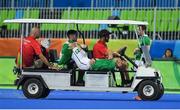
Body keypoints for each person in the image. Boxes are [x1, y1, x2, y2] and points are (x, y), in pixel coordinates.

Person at [134, 25, 151, 101]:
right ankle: (140, 94)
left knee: (141, 78)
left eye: (139, 29)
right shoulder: (141, 38)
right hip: (138, 59)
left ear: (143, 30)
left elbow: (146, 51)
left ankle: (141, 95)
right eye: (137, 29)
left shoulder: (145, 39)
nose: (138, 31)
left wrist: (148, 61)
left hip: (141, 61)